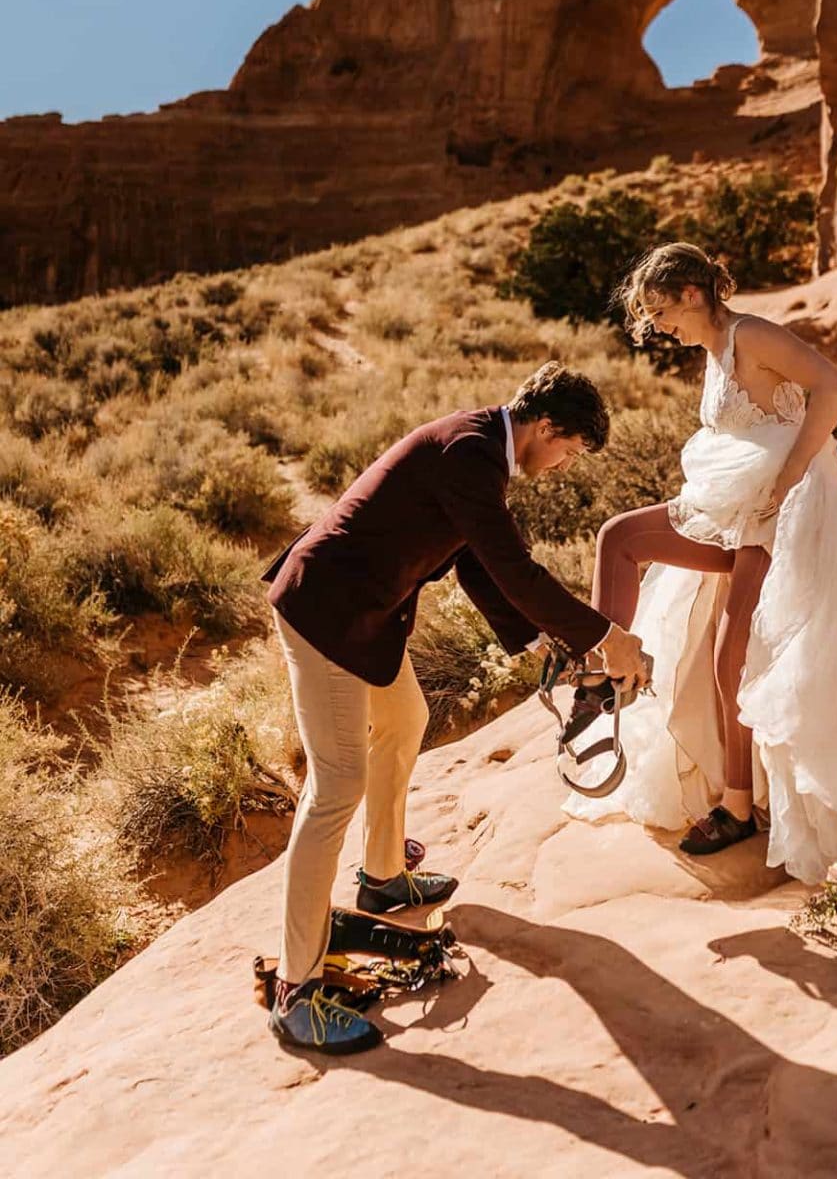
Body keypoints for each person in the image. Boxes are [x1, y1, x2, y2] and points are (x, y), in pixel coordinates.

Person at [262, 361, 647, 1053]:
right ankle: (296, 991)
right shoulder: (470, 453)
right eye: (569, 451)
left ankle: (383, 878)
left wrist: (536, 639)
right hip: (326, 614)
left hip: (366, 617)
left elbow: (476, 562)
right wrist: (606, 638)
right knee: (337, 785)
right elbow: (515, 569)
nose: (563, 466)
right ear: (547, 427)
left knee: (404, 720)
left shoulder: (480, 450)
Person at [565, 242, 837, 882]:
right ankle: (601, 676)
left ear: (692, 294)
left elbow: (834, 385)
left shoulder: (751, 334)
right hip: (736, 510)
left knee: (731, 653)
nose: (659, 326)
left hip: (785, 512)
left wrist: (792, 472)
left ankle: (738, 806)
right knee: (620, 537)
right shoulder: (714, 350)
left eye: (662, 311)